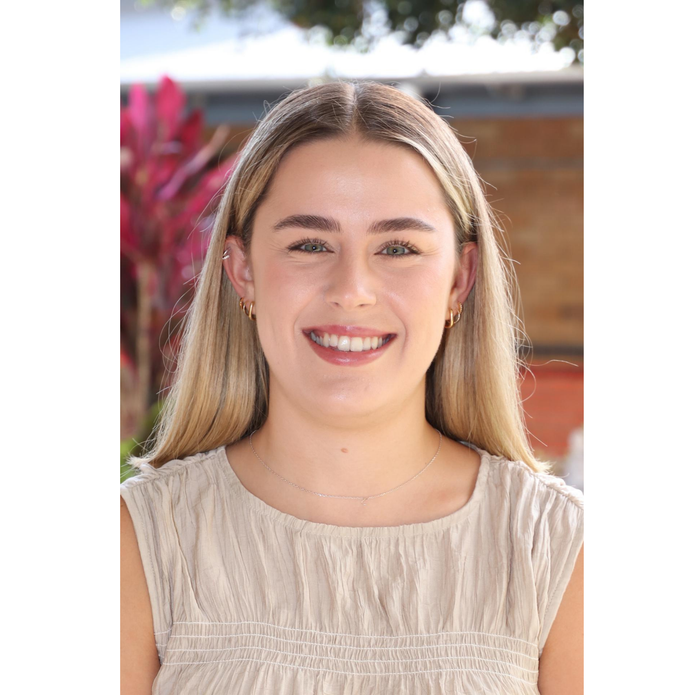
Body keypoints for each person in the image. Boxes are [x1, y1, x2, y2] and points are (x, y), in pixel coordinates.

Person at [121, 80, 583, 695]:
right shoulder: (137, 542)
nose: (352, 290)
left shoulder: (559, 548)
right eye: (310, 244)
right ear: (243, 271)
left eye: (399, 248)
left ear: (459, 279)